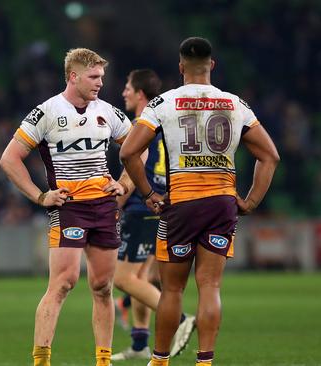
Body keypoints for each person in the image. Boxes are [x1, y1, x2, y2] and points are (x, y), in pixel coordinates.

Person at [120, 37, 279, 366]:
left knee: (173, 290)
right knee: (211, 285)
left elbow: (128, 152)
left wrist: (148, 193)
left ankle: (160, 360)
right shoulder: (236, 104)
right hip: (222, 201)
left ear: (180, 68)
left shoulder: (163, 103)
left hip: (182, 201)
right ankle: (205, 361)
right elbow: (270, 156)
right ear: (212, 66)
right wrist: (249, 201)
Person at [0, 48, 131, 366]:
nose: (100, 82)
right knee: (63, 282)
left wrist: (124, 183)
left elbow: (135, 149)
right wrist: (40, 196)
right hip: (69, 205)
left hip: (103, 206)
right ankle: (41, 359)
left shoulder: (108, 112)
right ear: (73, 76)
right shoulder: (46, 112)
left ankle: (103, 360)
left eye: (101, 76)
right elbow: (9, 158)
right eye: (94, 77)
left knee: (102, 286)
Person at [112, 69, 195, 361]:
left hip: (140, 208)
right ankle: (139, 344)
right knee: (142, 277)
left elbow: (133, 166)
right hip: (160, 206)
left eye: (127, 87)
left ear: (140, 94)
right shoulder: (163, 124)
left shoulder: (140, 125)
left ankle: (181, 318)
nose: (124, 92)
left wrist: (114, 205)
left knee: (122, 279)